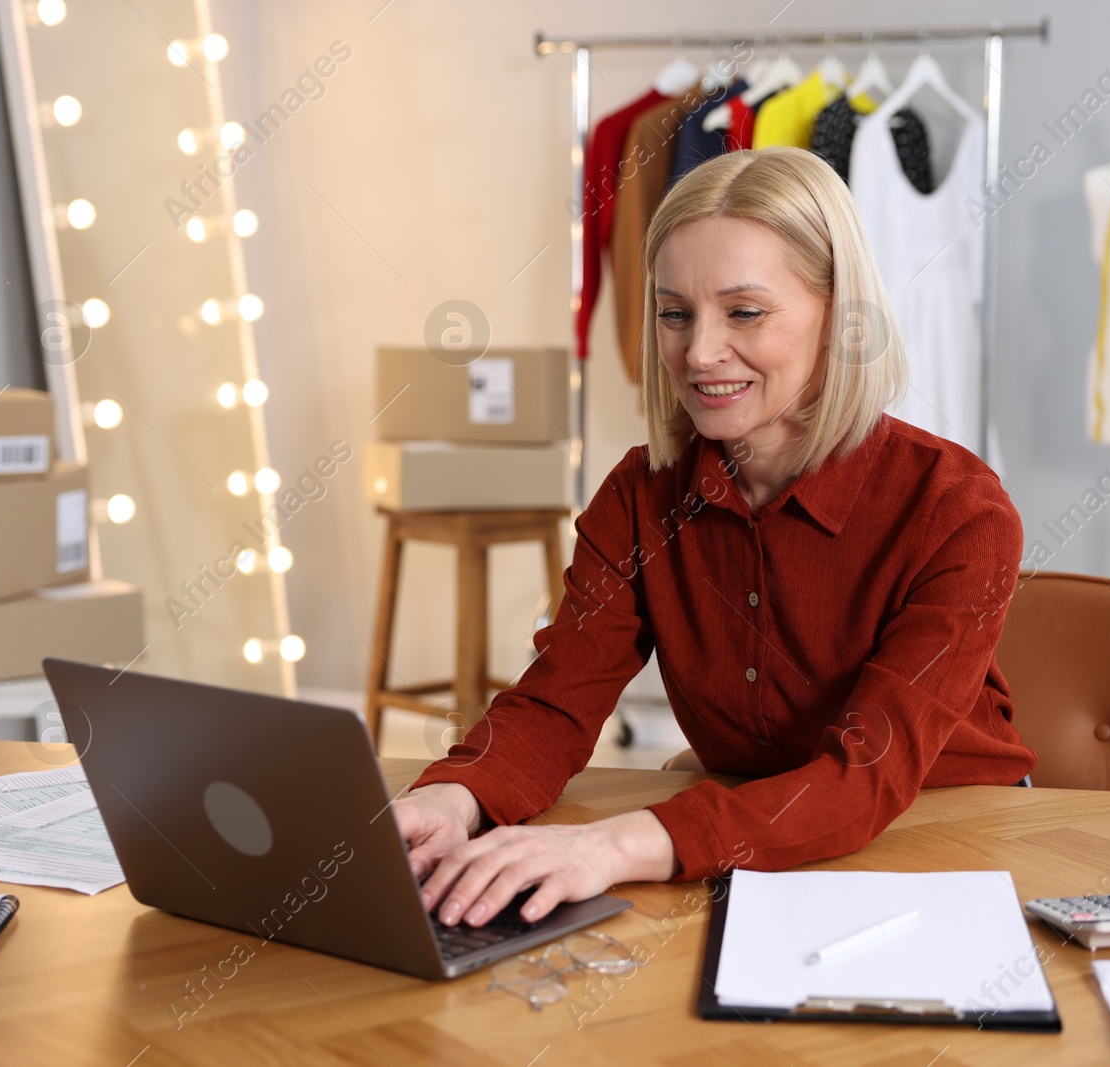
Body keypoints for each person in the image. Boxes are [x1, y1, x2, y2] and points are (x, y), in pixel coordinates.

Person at [393, 145, 1035, 930]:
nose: (698, 353)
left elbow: (865, 772)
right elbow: (556, 703)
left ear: (839, 316)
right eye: (674, 312)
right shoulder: (639, 496)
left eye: (744, 312)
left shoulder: (959, 510)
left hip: (945, 841)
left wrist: (618, 842)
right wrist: (449, 798)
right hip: (747, 841)